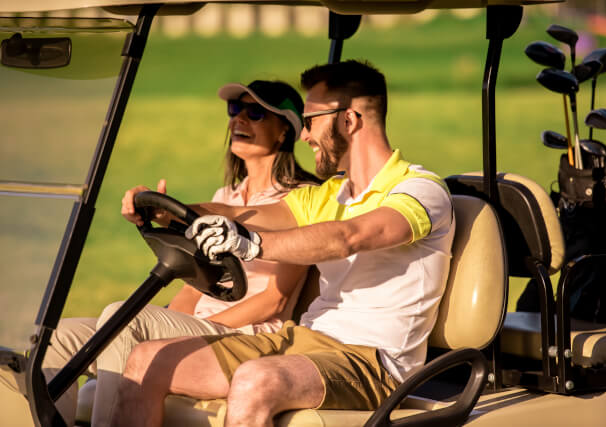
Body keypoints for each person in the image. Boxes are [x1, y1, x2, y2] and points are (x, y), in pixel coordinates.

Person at [111, 60, 456, 427]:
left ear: (349, 120)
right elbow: (238, 212)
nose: (304, 136)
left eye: (310, 122)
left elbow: (348, 237)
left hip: (374, 362)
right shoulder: (328, 196)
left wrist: (252, 245)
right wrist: (171, 213)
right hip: (303, 340)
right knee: (145, 361)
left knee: (254, 380)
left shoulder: (420, 190)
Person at [41, 80, 320, 427]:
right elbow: (194, 285)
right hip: (203, 323)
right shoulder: (228, 195)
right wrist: (168, 320)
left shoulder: (301, 201)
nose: (239, 120)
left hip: (249, 334)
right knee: (60, 335)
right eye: (235, 110)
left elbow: (275, 301)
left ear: (283, 132)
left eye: (255, 113)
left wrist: (195, 329)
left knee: (123, 320)